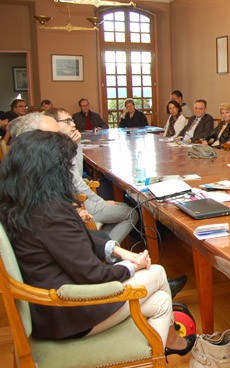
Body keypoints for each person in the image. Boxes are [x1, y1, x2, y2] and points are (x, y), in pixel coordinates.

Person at [0, 129, 195, 356]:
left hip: (50, 310)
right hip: (70, 310)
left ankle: (165, 348)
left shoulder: (20, 202)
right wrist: (133, 266)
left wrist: (121, 253)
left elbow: (76, 241)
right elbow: (93, 274)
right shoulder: (51, 212)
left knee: (161, 301)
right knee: (158, 272)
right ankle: (168, 347)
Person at [12, 110, 138, 244]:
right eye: (67, 121)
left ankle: (104, 246)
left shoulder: (49, 152)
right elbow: (75, 181)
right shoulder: (47, 158)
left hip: (73, 203)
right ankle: (107, 249)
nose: (73, 124)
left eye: (72, 120)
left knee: (119, 204)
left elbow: (76, 173)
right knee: (131, 212)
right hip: (77, 203)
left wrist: (75, 145)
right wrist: (99, 202)